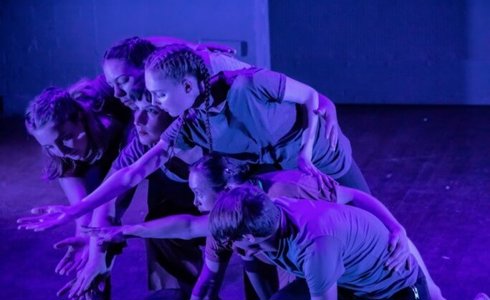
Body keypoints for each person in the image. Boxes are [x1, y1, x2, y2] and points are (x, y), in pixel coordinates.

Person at [86, 155, 442, 300]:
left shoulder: (306, 228)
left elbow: (355, 197)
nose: (196, 203)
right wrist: (123, 232)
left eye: (198, 194)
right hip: (345, 271)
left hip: (389, 288)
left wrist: (398, 228)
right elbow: (191, 227)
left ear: (252, 241)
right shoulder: (252, 213)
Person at [208, 185, 430, 300]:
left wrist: (396, 227)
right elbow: (351, 195)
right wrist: (396, 226)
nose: (229, 247)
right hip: (350, 286)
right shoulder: (273, 209)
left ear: (248, 236)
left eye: (230, 241)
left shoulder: (315, 249)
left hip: (397, 291)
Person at [23, 79, 131, 298]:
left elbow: (110, 203)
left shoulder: (113, 113)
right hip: (99, 155)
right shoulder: (64, 158)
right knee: (91, 256)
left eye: (66, 138)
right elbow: (83, 210)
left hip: (130, 144)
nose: (60, 150)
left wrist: (206, 52)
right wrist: (84, 243)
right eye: (49, 146)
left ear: (81, 119)